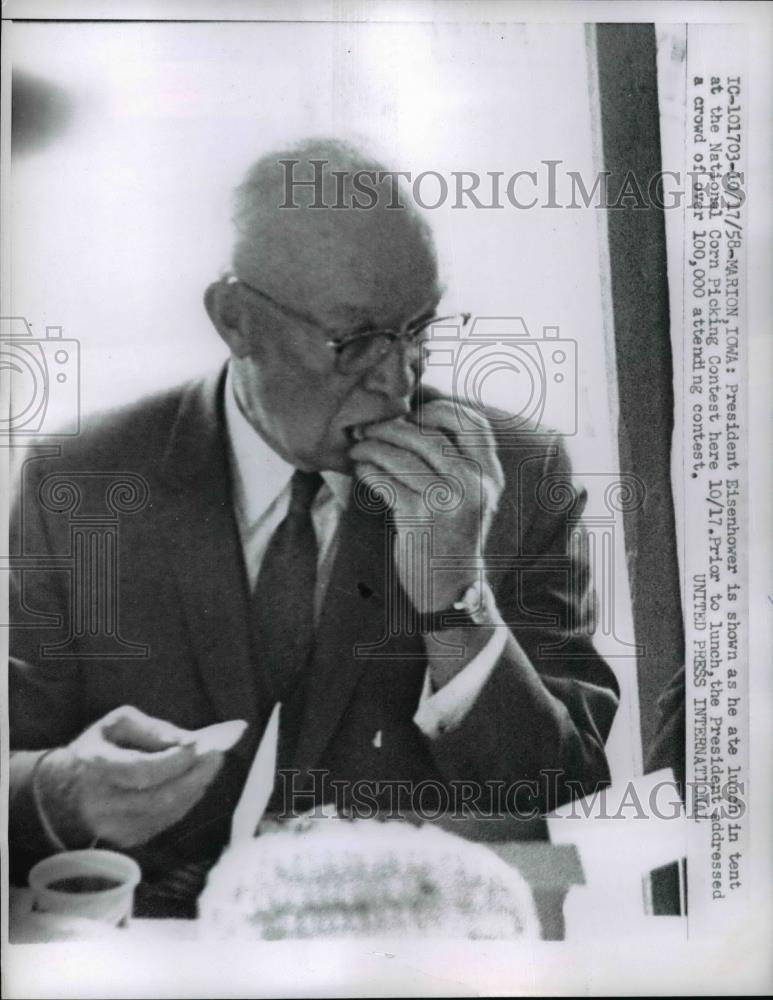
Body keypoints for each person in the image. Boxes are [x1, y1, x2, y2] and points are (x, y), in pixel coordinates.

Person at [9, 138, 619, 915]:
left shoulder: (514, 473)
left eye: (418, 329)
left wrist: (455, 599)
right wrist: (58, 790)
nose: (398, 382)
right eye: (354, 340)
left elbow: (562, 801)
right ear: (234, 319)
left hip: (404, 944)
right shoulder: (83, 478)